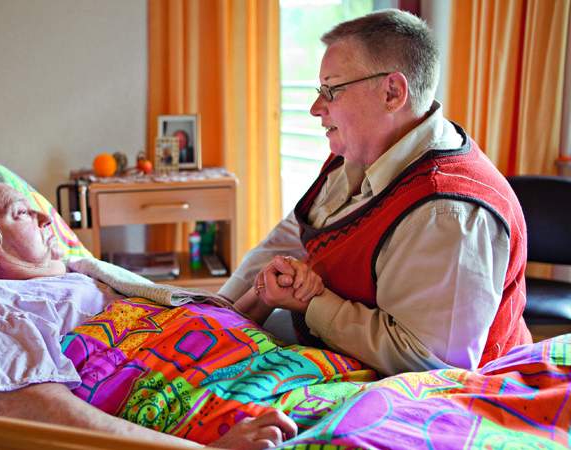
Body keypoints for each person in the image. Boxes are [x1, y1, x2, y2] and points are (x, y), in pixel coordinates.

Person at [220, 9, 531, 376]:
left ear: (392, 92)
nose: (316, 108)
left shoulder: (448, 213)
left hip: (446, 401)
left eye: (331, 90)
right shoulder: (359, 152)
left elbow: (433, 366)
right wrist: (220, 311)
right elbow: (291, 237)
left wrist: (313, 302)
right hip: (346, 358)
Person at [0, 170, 303, 450]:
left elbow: (193, 332)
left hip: (266, 373)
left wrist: (262, 298)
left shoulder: (87, 273)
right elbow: (42, 416)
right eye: (22, 213)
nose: (46, 218)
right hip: (213, 419)